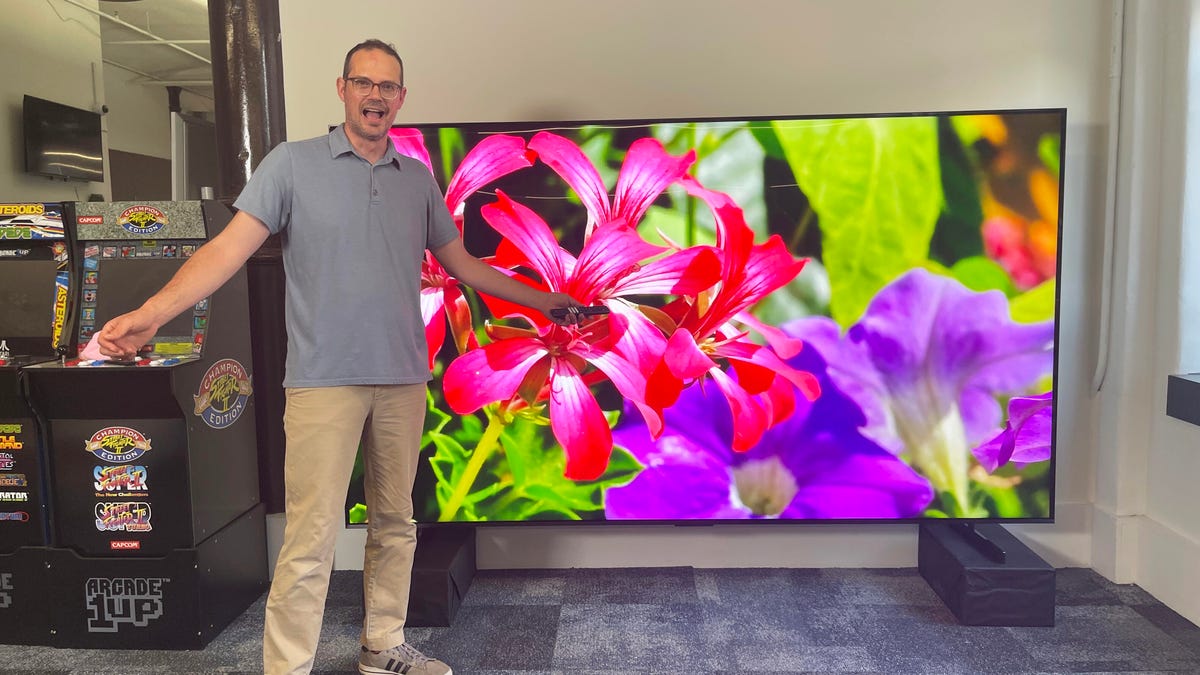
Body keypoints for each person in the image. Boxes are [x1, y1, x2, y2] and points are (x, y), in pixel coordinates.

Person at [96, 38, 582, 675]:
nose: (376, 96)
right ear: (342, 88)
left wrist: (548, 300)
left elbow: (462, 265)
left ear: (400, 99)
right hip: (324, 382)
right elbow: (227, 251)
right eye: (364, 83)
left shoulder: (418, 180)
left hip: (404, 378)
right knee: (309, 540)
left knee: (395, 523)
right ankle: (288, 667)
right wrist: (151, 314)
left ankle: (383, 648)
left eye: (388, 87)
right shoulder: (291, 164)